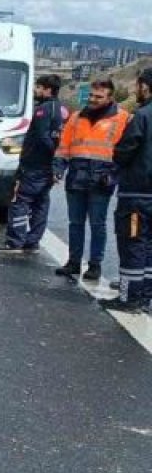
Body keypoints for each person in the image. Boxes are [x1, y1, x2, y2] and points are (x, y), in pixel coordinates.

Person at [53, 79, 132, 281]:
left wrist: (114, 174)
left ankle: (95, 264)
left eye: (99, 97)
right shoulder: (76, 117)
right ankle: (73, 262)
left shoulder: (123, 118)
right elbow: (64, 145)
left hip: (102, 179)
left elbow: (127, 150)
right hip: (77, 177)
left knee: (97, 224)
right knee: (75, 223)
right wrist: (58, 168)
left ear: (110, 98)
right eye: (91, 95)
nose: (93, 100)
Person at [0, 75, 67, 255]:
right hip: (47, 168)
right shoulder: (61, 109)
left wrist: (49, 156)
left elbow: (43, 138)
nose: (36, 91)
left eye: (39, 87)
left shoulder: (43, 110)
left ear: (48, 89)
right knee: (41, 203)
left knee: (20, 201)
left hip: (34, 166)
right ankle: (33, 241)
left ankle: (15, 241)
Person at [103, 68, 152, 311]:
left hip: (138, 194)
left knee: (133, 243)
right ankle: (145, 295)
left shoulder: (142, 116)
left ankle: (129, 297)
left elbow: (125, 150)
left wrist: (116, 164)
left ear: (145, 86)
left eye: (138, 85)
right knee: (149, 246)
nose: (136, 89)